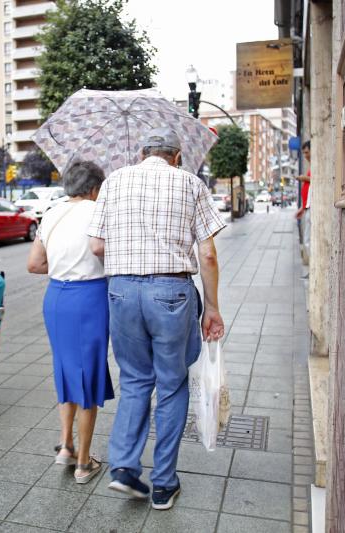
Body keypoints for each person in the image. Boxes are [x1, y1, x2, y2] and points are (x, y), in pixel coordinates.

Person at [88, 128, 225, 510]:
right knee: (171, 383)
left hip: (122, 290)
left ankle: (124, 468)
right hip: (171, 292)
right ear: (177, 156)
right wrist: (211, 307)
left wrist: (127, 271)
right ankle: (163, 484)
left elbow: (97, 244)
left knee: (134, 379)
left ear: (142, 152)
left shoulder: (114, 181)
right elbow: (209, 254)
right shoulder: (189, 183)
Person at [27, 161, 114, 485]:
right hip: (89, 298)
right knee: (89, 374)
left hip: (56, 299)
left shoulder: (51, 213)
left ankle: (66, 445)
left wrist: (63, 264)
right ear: (94, 188)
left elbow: (34, 264)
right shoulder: (98, 212)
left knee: (66, 369)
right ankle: (83, 462)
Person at [295, 140, 311, 264]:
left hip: (311, 209)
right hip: (307, 207)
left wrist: (304, 178)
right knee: (307, 241)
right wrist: (302, 208)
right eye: (304, 153)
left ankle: (314, 266)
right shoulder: (311, 166)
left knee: (308, 241)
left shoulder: (316, 165)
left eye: (307, 152)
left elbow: (318, 180)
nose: (305, 156)